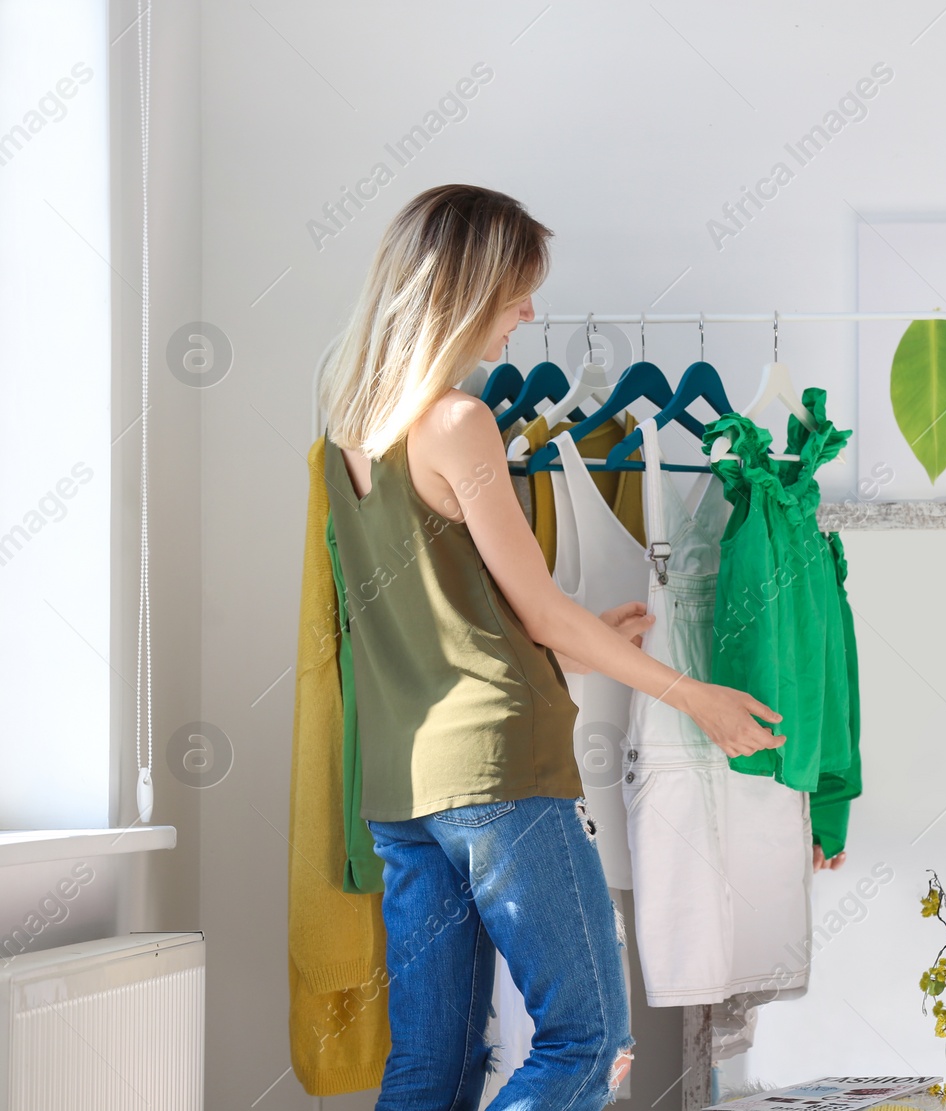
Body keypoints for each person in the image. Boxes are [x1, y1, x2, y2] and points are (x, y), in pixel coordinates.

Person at [317, 183, 784, 1110]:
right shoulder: (457, 421)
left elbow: (434, 618)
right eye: (515, 292)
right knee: (588, 1038)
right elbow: (538, 610)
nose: (528, 313)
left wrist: (567, 647)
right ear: (461, 290)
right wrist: (695, 696)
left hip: (404, 794)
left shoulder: (346, 436)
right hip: (501, 777)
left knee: (433, 1061)